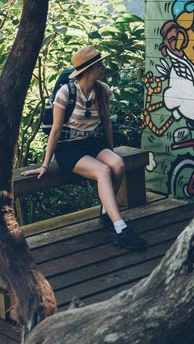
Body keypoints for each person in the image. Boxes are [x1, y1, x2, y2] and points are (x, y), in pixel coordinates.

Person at [20, 45, 144, 251]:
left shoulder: (102, 91)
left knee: (118, 164)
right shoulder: (65, 93)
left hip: (93, 144)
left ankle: (107, 213)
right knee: (103, 171)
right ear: (87, 70)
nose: (103, 68)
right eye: (99, 65)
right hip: (69, 148)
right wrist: (45, 164)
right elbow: (56, 130)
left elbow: (106, 125)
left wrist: (110, 151)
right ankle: (121, 228)